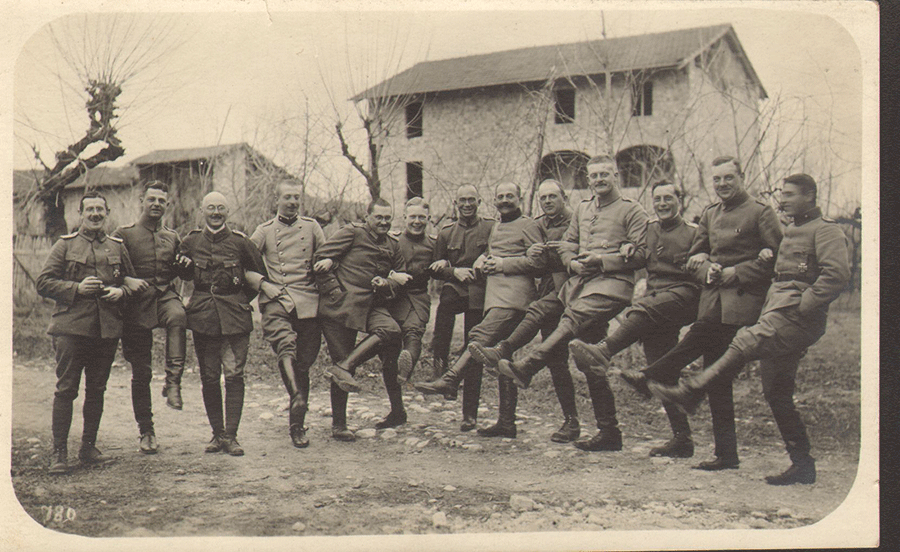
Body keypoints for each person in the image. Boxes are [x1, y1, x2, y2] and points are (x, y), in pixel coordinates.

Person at [649, 174, 849, 485]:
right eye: (782, 193)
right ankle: (803, 463)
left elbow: (836, 275)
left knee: (746, 339)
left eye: (791, 194)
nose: (782, 199)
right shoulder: (791, 229)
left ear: (810, 197)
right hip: (777, 311)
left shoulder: (826, 230)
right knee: (776, 391)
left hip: (795, 316)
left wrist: (804, 304)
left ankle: (692, 390)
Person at [618, 156, 783, 470]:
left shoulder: (761, 213)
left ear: (742, 177)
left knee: (701, 336)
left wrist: (738, 272)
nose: (721, 185)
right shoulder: (710, 213)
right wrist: (708, 268)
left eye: (728, 178)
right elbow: (696, 254)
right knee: (716, 376)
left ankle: (652, 374)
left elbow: (778, 260)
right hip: (714, 302)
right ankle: (726, 454)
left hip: (744, 303)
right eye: (717, 179)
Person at [496, 155, 649, 452]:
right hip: (580, 285)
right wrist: (573, 264)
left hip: (613, 288)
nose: (599, 180)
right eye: (594, 176)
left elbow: (642, 255)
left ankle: (530, 364)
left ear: (616, 175)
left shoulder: (632, 210)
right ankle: (609, 432)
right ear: (588, 179)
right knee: (589, 359)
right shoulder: (583, 208)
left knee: (572, 318)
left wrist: (603, 260)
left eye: (605, 174)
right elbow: (568, 243)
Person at [566, 180, 702, 457]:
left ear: (680, 200)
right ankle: (682, 438)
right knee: (661, 367)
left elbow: (706, 257)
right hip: (656, 299)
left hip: (685, 295)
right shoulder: (649, 228)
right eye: (658, 199)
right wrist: (628, 248)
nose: (663, 204)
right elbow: (636, 250)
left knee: (639, 311)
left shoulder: (694, 232)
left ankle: (604, 350)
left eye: (669, 198)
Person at [416, 182, 545, 437]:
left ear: (520, 198)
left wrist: (503, 263)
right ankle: (507, 423)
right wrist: (482, 259)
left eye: (510, 196)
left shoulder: (528, 224)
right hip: (495, 298)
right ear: (494, 200)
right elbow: (492, 251)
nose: (505, 200)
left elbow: (539, 263)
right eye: (501, 196)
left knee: (477, 339)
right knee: (502, 359)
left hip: (514, 299)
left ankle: (451, 379)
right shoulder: (497, 225)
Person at [468, 179, 585, 443]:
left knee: (567, 361)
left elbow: (568, 254)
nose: (547, 202)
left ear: (564, 197)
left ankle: (573, 422)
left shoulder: (577, 222)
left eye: (553, 197)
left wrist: (547, 254)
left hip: (570, 295)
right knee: (542, 358)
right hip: (545, 294)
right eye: (543, 198)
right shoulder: (539, 224)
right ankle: (507, 422)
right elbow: (532, 260)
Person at [37, 191, 136, 474]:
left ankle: (88, 448)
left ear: (107, 213)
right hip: (70, 328)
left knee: (96, 389)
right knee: (67, 389)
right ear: (80, 214)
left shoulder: (117, 246)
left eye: (100, 210)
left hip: (106, 329)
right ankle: (59, 453)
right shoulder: (65, 246)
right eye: (89, 209)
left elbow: (130, 283)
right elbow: (44, 282)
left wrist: (121, 291)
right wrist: (75, 289)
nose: (95, 214)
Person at [179, 191, 268, 457]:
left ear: (228, 212)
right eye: (211, 208)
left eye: (221, 208)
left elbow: (257, 277)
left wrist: (237, 300)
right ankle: (217, 434)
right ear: (202, 211)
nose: (216, 213)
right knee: (209, 376)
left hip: (235, 318)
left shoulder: (241, 242)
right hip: (203, 317)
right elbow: (182, 273)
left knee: (234, 375)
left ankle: (231, 436)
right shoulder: (191, 241)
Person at [313, 198, 407, 441]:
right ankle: (339, 425)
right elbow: (319, 259)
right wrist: (334, 290)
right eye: (379, 217)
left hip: (372, 306)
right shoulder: (351, 233)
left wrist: (386, 283)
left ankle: (344, 366)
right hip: (341, 307)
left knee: (391, 330)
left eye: (388, 218)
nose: (384, 222)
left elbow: (399, 281)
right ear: (368, 216)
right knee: (340, 357)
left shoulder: (393, 245)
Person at [248, 181, 326, 448]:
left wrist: (327, 265)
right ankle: (297, 405)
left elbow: (326, 256)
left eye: (296, 197)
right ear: (276, 199)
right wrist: (263, 284)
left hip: (309, 299)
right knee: (285, 347)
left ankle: (297, 407)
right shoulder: (264, 231)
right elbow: (244, 260)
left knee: (304, 361)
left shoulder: (312, 227)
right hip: (277, 299)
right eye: (287, 197)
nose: (292, 202)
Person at [113, 181, 187, 456]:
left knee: (179, 316)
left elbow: (183, 271)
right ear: (141, 200)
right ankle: (146, 430)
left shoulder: (172, 236)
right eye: (152, 199)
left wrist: (185, 267)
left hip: (165, 296)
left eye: (162, 201)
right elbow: (109, 266)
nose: (156, 204)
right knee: (141, 372)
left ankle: (173, 382)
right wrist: (127, 279)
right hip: (135, 306)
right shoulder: (124, 234)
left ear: (167, 205)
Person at [428, 184, 494, 397]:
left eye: (471, 200)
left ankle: (464, 384)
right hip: (454, 288)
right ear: (455, 204)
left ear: (479, 202)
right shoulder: (446, 232)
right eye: (462, 200)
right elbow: (436, 269)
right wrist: (454, 271)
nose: (467, 204)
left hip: (479, 290)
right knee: (442, 324)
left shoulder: (491, 228)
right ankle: (440, 373)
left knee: (473, 339)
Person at [387, 197, 436, 382]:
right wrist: (392, 275)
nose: (417, 221)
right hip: (394, 297)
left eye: (422, 217)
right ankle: (397, 372)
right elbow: (379, 266)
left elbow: (446, 265)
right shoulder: (393, 240)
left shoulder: (434, 244)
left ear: (428, 219)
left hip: (418, 297)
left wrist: (444, 262)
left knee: (414, 331)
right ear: (404, 217)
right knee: (390, 339)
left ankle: (405, 368)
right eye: (413, 217)